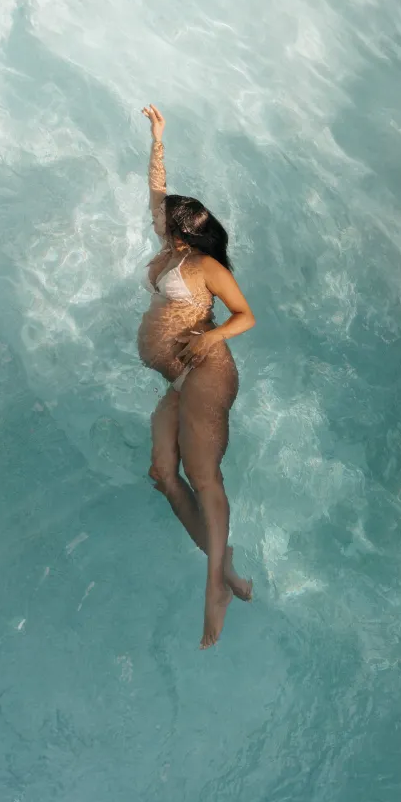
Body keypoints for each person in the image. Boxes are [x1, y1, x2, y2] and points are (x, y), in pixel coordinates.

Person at [139, 104, 256, 648]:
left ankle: (214, 589)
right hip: (178, 379)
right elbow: (156, 191)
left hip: (207, 370)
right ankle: (223, 566)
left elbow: (246, 316)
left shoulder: (206, 267)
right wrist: (158, 139)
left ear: (183, 233)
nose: (156, 216)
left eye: (166, 218)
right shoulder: (168, 249)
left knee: (205, 478)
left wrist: (209, 337)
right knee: (164, 473)